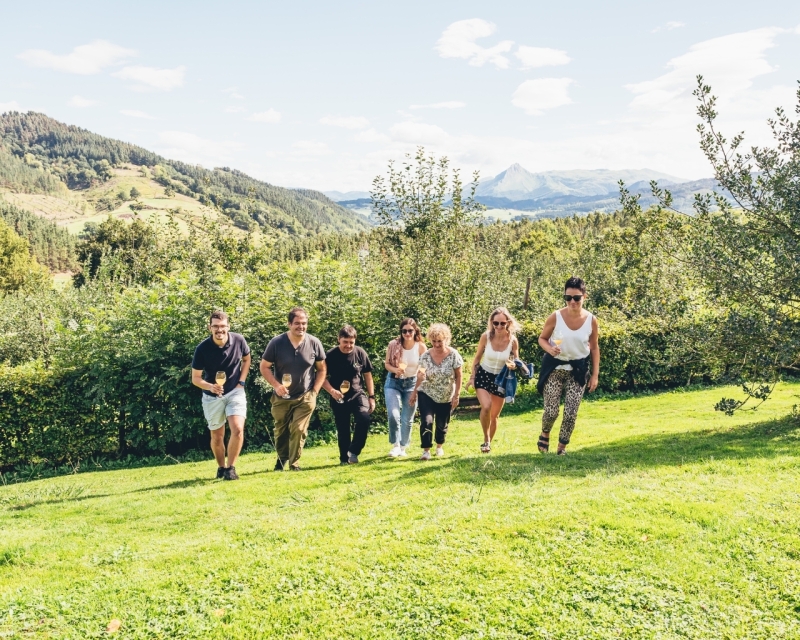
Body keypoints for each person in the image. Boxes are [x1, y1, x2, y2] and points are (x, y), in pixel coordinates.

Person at [536, 277, 600, 455]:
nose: (572, 301)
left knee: (571, 413)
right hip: (555, 369)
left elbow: (594, 348)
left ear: (584, 297)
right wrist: (549, 348)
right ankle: (545, 433)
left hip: (577, 371)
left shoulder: (591, 320)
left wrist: (594, 375)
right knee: (551, 411)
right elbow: (542, 338)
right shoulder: (555, 317)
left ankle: (562, 447)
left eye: (577, 298)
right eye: (568, 297)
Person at [259, 307, 326, 471]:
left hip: (305, 396)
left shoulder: (314, 343)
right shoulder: (276, 343)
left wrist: (315, 392)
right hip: (282, 397)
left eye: (304, 323)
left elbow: (322, 369)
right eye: (297, 323)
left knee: (299, 429)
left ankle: (294, 463)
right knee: (281, 431)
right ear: (289, 324)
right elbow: (264, 367)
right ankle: (281, 460)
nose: (301, 327)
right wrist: (276, 385)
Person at [191, 310, 251, 480]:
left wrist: (242, 381)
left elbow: (247, 359)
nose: (219, 330)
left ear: (228, 327)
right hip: (211, 396)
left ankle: (231, 468)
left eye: (223, 326)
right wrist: (211, 387)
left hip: (235, 391)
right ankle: (221, 467)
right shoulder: (202, 349)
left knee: (238, 429)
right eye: (215, 326)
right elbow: (195, 379)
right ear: (210, 327)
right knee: (217, 437)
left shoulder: (239, 340)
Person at [467, 307, 527, 453]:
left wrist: (514, 365)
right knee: (486, 406)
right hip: (483, 375)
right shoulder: (486, 337)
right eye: (495, 323)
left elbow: (516, 359)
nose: (499, 326)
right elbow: (476, 358)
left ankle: (487, 444)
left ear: (508, 323)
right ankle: (486, 439)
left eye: (502, 323)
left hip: (501, 379)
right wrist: (472, 377)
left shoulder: (513, 341)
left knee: (494, 416)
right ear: (492, 323)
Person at [321, 325, 376, 465]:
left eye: (351, 342)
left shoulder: (360, 353)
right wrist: (332, 391)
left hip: (358, 394)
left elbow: (368, 376)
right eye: (345, 342)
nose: (349, 345)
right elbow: (321, 377)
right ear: (339, 339)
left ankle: (354, 451)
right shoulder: (330, 355)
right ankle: (344, 459)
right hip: (338, 396)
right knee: (343, 428)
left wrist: (371, 397)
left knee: (364, 418)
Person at [411, 323, 463, 460]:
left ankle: (439, 446)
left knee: (442, 424)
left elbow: (459, 376)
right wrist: (414, 392)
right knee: (426, 421)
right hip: (427, 392)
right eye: (434, 341)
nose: (437, 344)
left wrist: (457, 395)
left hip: (446, 395)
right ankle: (426, 450)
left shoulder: (453, 355)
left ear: (446, 339)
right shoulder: (426, 356)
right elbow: (420, 374)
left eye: (439, 341)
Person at [384, 318, 427, 458]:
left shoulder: (420, 347)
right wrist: (395, 370)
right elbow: (387, 364)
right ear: (401, 332)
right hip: (393, 381)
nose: (407, 333)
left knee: (407, 418)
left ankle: (403, 447)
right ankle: (395, 445)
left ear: (415, 331)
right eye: (404, 331)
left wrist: (422, 371)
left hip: (412, 383)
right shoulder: (393, 345)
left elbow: (424, 365)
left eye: (410, 330)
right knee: (393, 414)